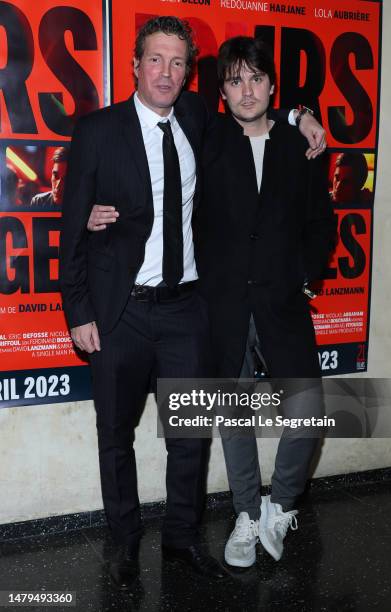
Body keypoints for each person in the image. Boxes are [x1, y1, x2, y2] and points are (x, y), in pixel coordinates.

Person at [72, 18, 327, 587]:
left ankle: (230, 523)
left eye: (178, 62)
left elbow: (311, 210)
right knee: (151, 429)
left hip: (223, 308)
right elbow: (76, 222)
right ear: (136, 65)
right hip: (162, 310)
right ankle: (164, 533)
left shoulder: (239, 133)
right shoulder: (153, 131)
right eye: (156, 60)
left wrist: (301, 112)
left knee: (251, 419)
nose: (166, 72)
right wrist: (84, 256)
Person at [194, 36, 336, 568]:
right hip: (226, 303)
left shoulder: (299, 145)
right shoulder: (209, 139)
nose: (246, 90)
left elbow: (320, 222)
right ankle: (247, 515)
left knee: (308, 409)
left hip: (282, 301)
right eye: (235, 80)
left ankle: (282, 505)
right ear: (223, 93)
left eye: (256, 78)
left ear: (271, 86)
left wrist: (306, 277)